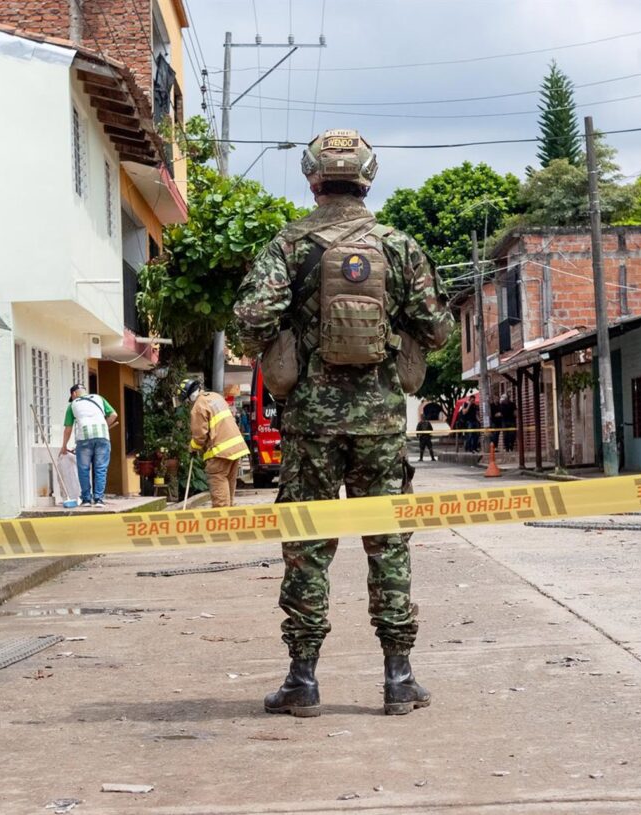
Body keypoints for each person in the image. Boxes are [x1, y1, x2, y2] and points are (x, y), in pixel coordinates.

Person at [235, 128, 453, 717]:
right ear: (369, 176)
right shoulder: (399, 246)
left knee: (307, 548)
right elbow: (438, 330)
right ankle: (399, 678)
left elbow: (251, 319)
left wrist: (286, 346)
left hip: (309, 425)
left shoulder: (287, 245)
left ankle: (302, 683)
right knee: (389, 548)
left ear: (311, 178)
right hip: (382, 424)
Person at [180, 378, 250, 508]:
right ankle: (229, 517)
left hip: (220, 452)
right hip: (235, 449)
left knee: (218, 481)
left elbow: (199, 436)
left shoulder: (198, 406)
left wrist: (192, 448)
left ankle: (221, 519)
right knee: (228, 484)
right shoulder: (215, 397)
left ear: (190, 395)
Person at [60, 383, 117, 508]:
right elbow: (113, 415)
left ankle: (86, 499)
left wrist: (64, 446)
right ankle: (99, 500)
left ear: (73, 394)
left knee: (84, 469)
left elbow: (68, 429)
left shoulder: (73, 405)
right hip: (102, 437)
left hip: (84, 439)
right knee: (100, 469)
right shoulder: (99, 398)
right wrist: (104, 427)